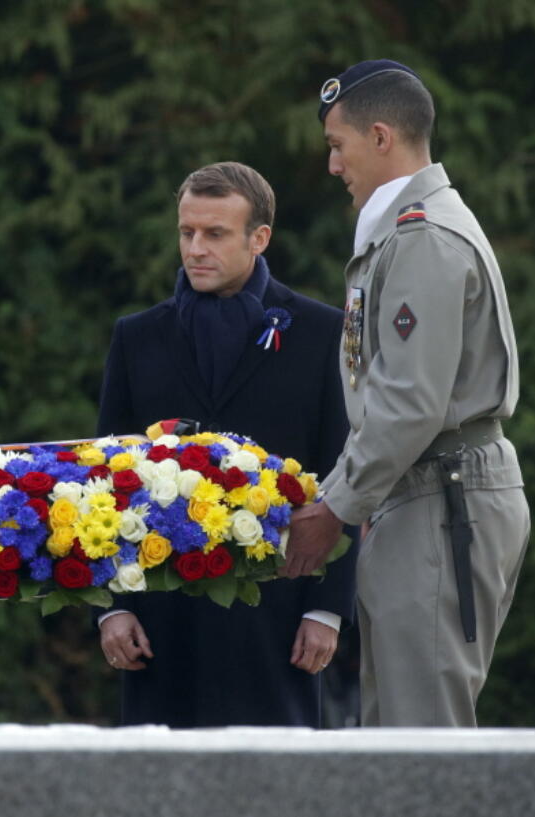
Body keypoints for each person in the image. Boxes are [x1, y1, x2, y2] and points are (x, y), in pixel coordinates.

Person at [283, 60, 528, 727]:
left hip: (442, 498)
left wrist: (335, 503)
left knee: (424, 744)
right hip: (421, 494)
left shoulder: (421, 237)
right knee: (394, 741)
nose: (333, 165)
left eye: (339, 145)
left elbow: (409, 403)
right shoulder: (402, 231)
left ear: (382, 137)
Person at [96, 161, 358, 727]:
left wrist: (327, 608)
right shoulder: (137, 336)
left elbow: (346, 474)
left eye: (214, 234)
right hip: (159, 611)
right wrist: (112, 608)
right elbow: (105, 481)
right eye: (187, 232)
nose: (195, 248)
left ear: (258, 239)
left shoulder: (320, 333)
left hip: (279, 611)